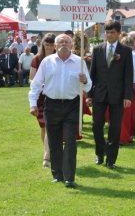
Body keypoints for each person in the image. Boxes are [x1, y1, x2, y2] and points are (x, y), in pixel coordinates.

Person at [28, 34, 92, 188]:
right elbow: (36, 84)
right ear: (55, 46)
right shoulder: (47, 62)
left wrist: (84, 80)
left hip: (72, 105)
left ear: (72, 45)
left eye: (67, 42)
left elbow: (89, 86)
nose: (64, 44)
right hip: (51, 105)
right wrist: (33, 103)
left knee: (70, 141)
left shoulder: (79, 62)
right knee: (54, 141)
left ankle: (69, 177)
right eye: (60, 42)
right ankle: (57, 174)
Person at [86, 20, 133, 169]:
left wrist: (127, 96)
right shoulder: (98, 49)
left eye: (112, 32)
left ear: (119, 34)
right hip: (99, 93)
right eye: (107, 32)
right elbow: (92, 74)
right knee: (96, 125)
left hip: (117, 95)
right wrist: (89, 94)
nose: (109, 35)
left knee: (115, 127)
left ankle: (111, 159)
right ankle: (100, 153)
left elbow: (128, 75)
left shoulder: (125, 51)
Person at [29, 33, 56, 168]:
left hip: (53, 96)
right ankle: (48, 150)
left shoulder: (59, 58)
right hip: (40, 96)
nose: (50, 47)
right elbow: (31, 78)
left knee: (48, 125)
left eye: (52, 44)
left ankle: (47, 156)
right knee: (43, 127)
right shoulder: (37, 59)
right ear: (43, 45)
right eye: (47, 44)